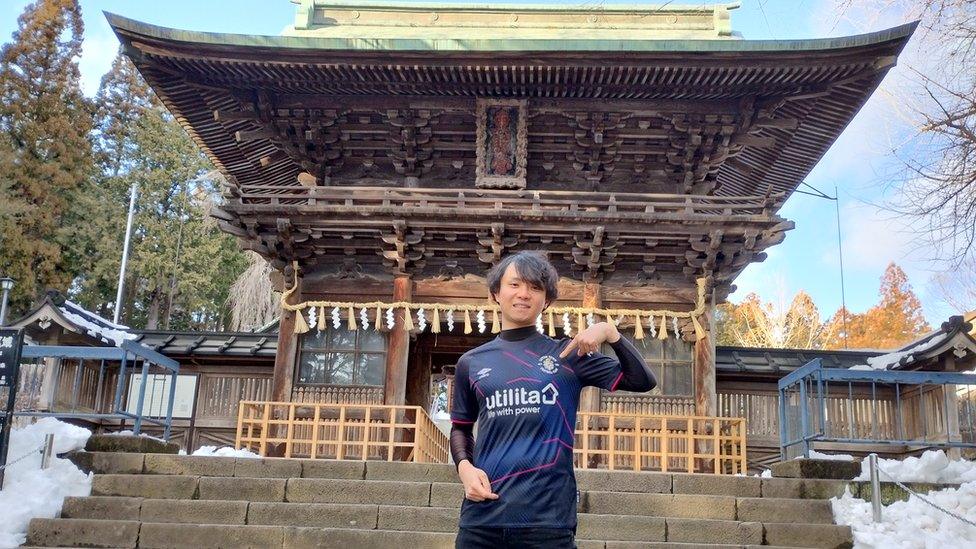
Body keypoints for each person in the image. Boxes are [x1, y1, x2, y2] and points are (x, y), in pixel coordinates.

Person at [450, 251, 657, 549]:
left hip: (547, 521)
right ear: (496, 293)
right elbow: (460, 427)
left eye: (535, 288)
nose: (524, 294)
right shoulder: (470, 362)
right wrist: (465, 468)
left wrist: (610, 332)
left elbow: (642, 381)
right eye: (515, 284)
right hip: (482, 519)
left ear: (546, 300)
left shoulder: (567, 355)